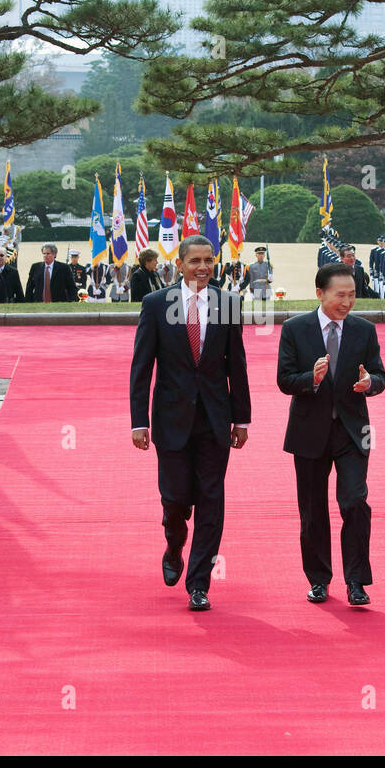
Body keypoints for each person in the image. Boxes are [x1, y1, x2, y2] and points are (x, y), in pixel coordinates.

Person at [130, 234, 251, 612]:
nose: (203, 267)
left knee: (211, 501)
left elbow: (237, 366)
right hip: (170, 420)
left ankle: (199, 584)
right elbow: (141, 367)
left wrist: (241, 418)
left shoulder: (228, 304)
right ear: (179, 264)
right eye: (195, 260)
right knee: (177, 498)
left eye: (209, 260)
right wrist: (138, 421)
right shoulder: (155, 304)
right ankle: (173, 540)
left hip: (215, 421)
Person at [277, 262, 385, 605]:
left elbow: (380, 375)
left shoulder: (363, 330)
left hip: (353, 432)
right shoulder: (295, 329)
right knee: (312, 510)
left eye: (352, 295)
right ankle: (319, 579)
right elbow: (284, 381)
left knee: (355, 502)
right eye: (340, 295)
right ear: (320, 293)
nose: (347, 302)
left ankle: (357, 581)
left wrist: (371, 384)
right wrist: (311, 378)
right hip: (309, 432)